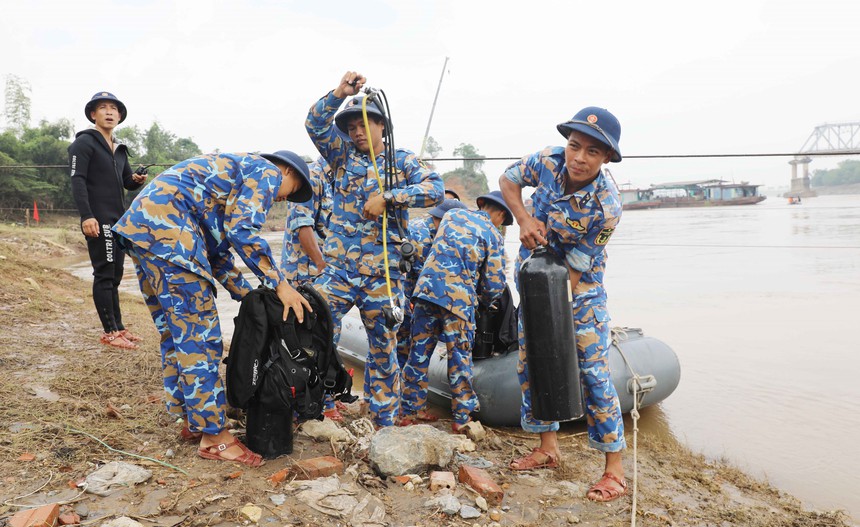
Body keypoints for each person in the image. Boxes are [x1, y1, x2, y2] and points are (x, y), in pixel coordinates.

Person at [113, 150, 313, 467]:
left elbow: (218, 255)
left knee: (176, 336)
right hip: (173, 235)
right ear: (287, 171)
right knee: (200, 339)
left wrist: (250, 296)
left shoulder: (229, 180)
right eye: (290, 192)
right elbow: (243, 232)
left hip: (145, 232)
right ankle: (214, 437)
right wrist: (280, 284)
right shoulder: (266, 171)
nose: (281, 199)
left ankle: (191, 419)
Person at [499, 107, 627, 502]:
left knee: (593, 372)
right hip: (534, 277)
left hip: (580, 288)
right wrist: (522, 219)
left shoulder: (608, 207)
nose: (579, 158)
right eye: (575, 146)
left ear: (606, 158)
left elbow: (578, 267)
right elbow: (507, 180)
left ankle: (614, 471)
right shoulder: (547, 162)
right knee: (531, 362)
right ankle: (547, 448)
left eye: (592, 151)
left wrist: (553, 315)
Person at [305, 71, 444, 428]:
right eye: (350, 127)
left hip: (382, 274)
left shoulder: (403, 161)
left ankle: (384, 420)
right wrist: (339, 92)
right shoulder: (340, 156)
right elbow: (315, 124)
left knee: (383, 349)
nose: (356, 132)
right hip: (338, 271)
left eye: (364, 124)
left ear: (382, 125)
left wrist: (390, 197)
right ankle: (317, 405)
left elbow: (435, 191)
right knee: (317, 331)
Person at [400, 191, 509, 432]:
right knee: (459, 358)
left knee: (417, 353)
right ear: (500, 214)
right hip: (457, 301)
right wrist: (486, 301)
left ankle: (409, 412)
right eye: (504, 221)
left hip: (426, 292)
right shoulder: (492, 233)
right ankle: (462, 417)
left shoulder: (451, 215)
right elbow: (494, 283)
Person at [69, 91, 147, 350]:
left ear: (120, 116)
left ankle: (119, 328)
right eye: (103, 108)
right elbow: (77, 180)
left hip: (119, 220)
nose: (110, 112)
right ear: (93, 114)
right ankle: (109, 332)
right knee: (104, 273)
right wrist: (86, 216)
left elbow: (126, 183)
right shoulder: (84, 144)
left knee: (114, 275)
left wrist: (135, 180)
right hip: (98, 219)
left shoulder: (119, 149)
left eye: (114, 109)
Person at [395, 199, 468, 369]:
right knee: (402, 348)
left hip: (419, 301)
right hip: (406, 299)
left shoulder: (442, 234)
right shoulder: (419, 234)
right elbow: (424, 275)